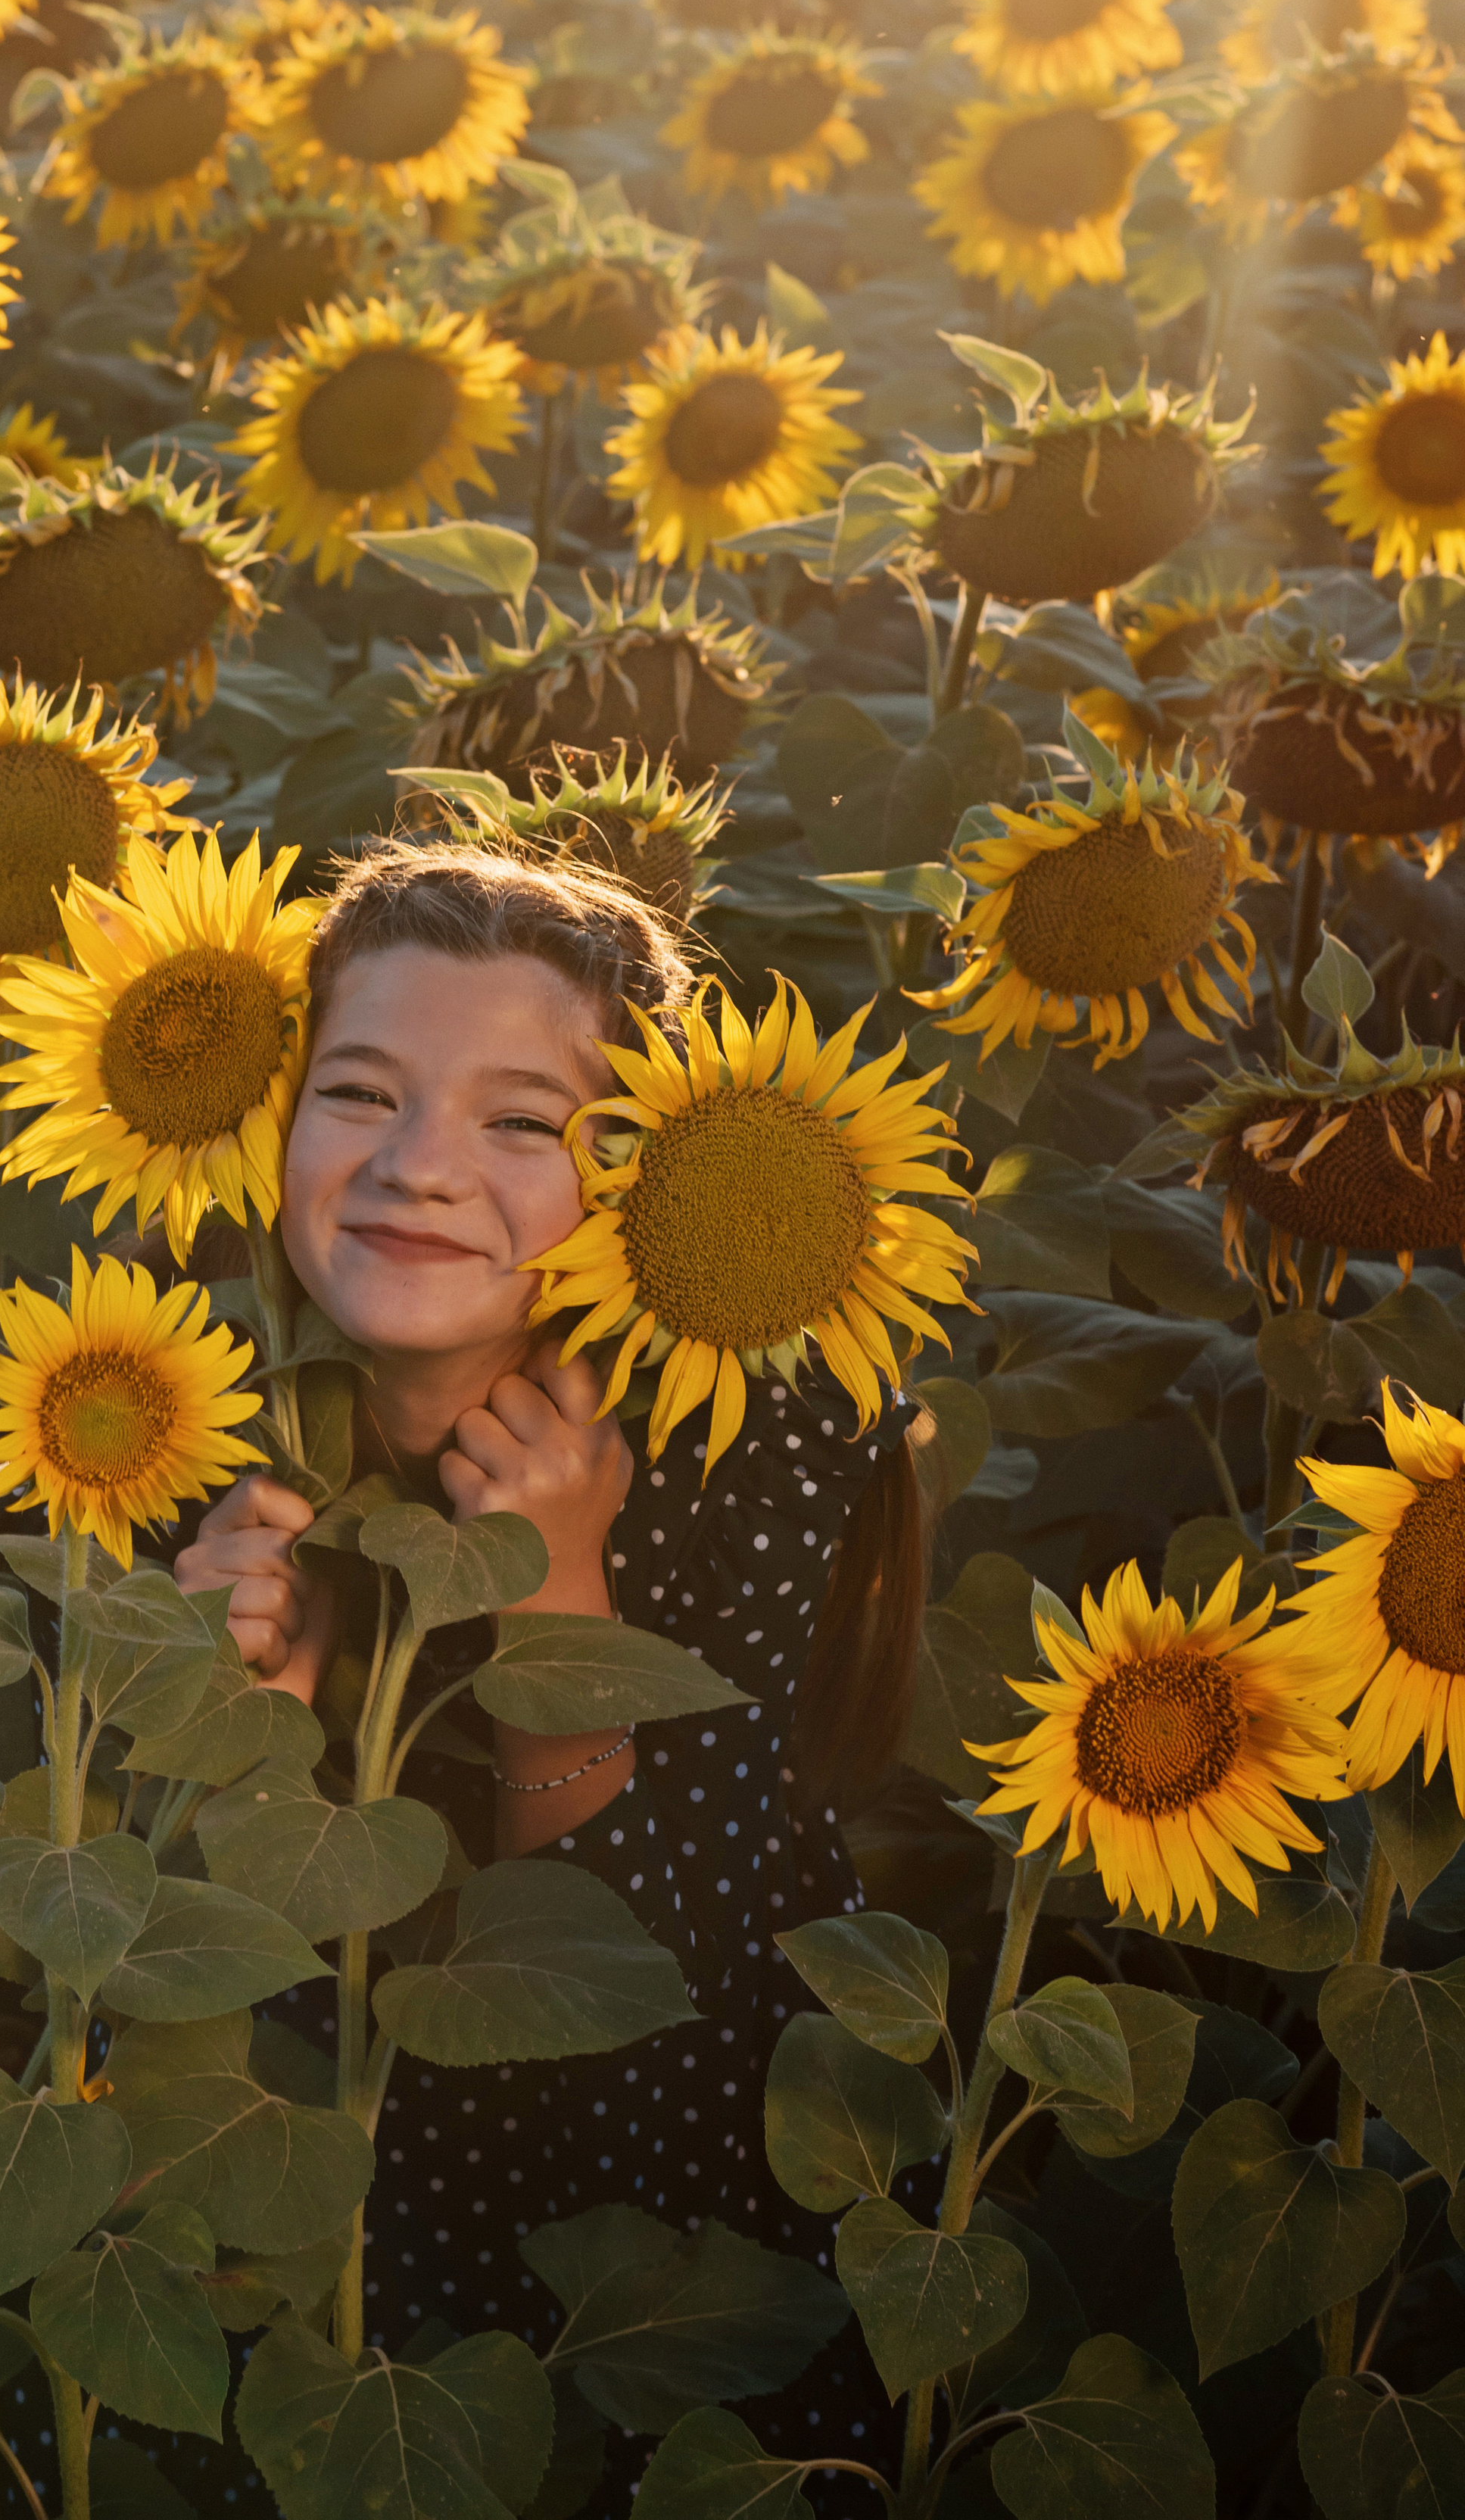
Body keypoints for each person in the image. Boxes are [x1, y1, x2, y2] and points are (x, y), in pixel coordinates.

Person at [167, 842, 933, 2512]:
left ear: (639, 1179)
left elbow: (638, 2064)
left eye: (524, 1124)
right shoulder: (161, 1410)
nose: (420, 1167)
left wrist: (553, 1602)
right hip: (282, 2265)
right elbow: (152, 2039)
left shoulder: (748, 1441)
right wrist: (226, 1724)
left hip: (653, 2265)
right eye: (357, 1091)